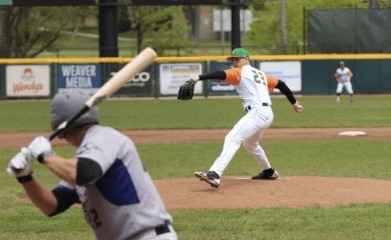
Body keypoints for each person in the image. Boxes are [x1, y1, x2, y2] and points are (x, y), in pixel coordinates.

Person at [6, 90, 177, 240]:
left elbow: (84, 173)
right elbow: (52, 206)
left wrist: (45, 155)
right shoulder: (88, 156)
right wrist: (25, 178)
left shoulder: (103, 137)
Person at [190, 48, 303, 188]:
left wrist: (198, 78)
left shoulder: (240, 71)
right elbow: (282, 85)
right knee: (251, 144)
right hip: (266, 113)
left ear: (246, 59)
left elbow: (220, 73)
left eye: (237, 59)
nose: (234, 62)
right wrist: (294, 103)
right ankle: (268, 171)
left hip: (257, 112)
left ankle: (214, 174)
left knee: (232, 138)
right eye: (232, 60)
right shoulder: (260, 73)